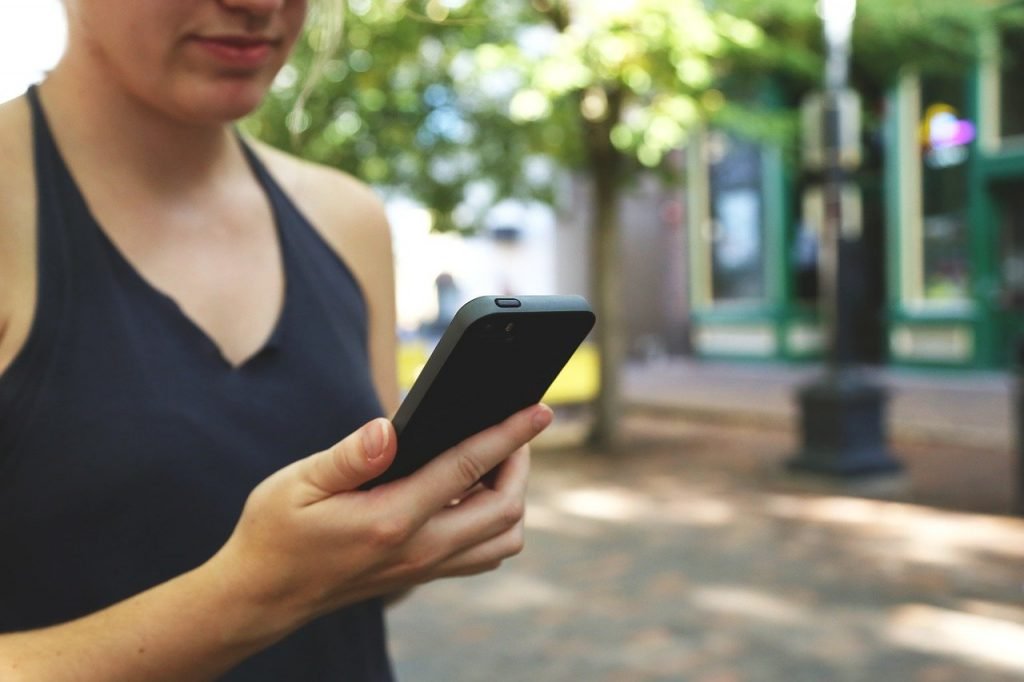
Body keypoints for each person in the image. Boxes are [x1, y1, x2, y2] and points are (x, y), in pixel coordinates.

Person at [0, 0, 549, 679]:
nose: (260, 6)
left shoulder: (346, 219)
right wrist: (250, 595)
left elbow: (357, 579)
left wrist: (413, 525)